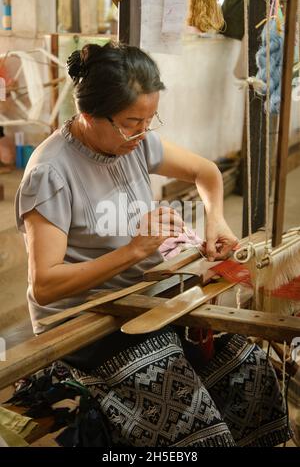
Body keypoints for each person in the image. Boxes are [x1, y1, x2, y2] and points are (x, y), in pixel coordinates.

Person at [15, 42, 290, 447]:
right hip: (84, 324)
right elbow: (46, 285)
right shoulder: (50, 173)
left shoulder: (132, 142)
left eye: (149, 120)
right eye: (131, 122)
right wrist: (135, 251)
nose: (142, 134)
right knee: (192, 421)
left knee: (251, 373)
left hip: (142, 300)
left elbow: (206, 171)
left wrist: (216, 221)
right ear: (89, 115)